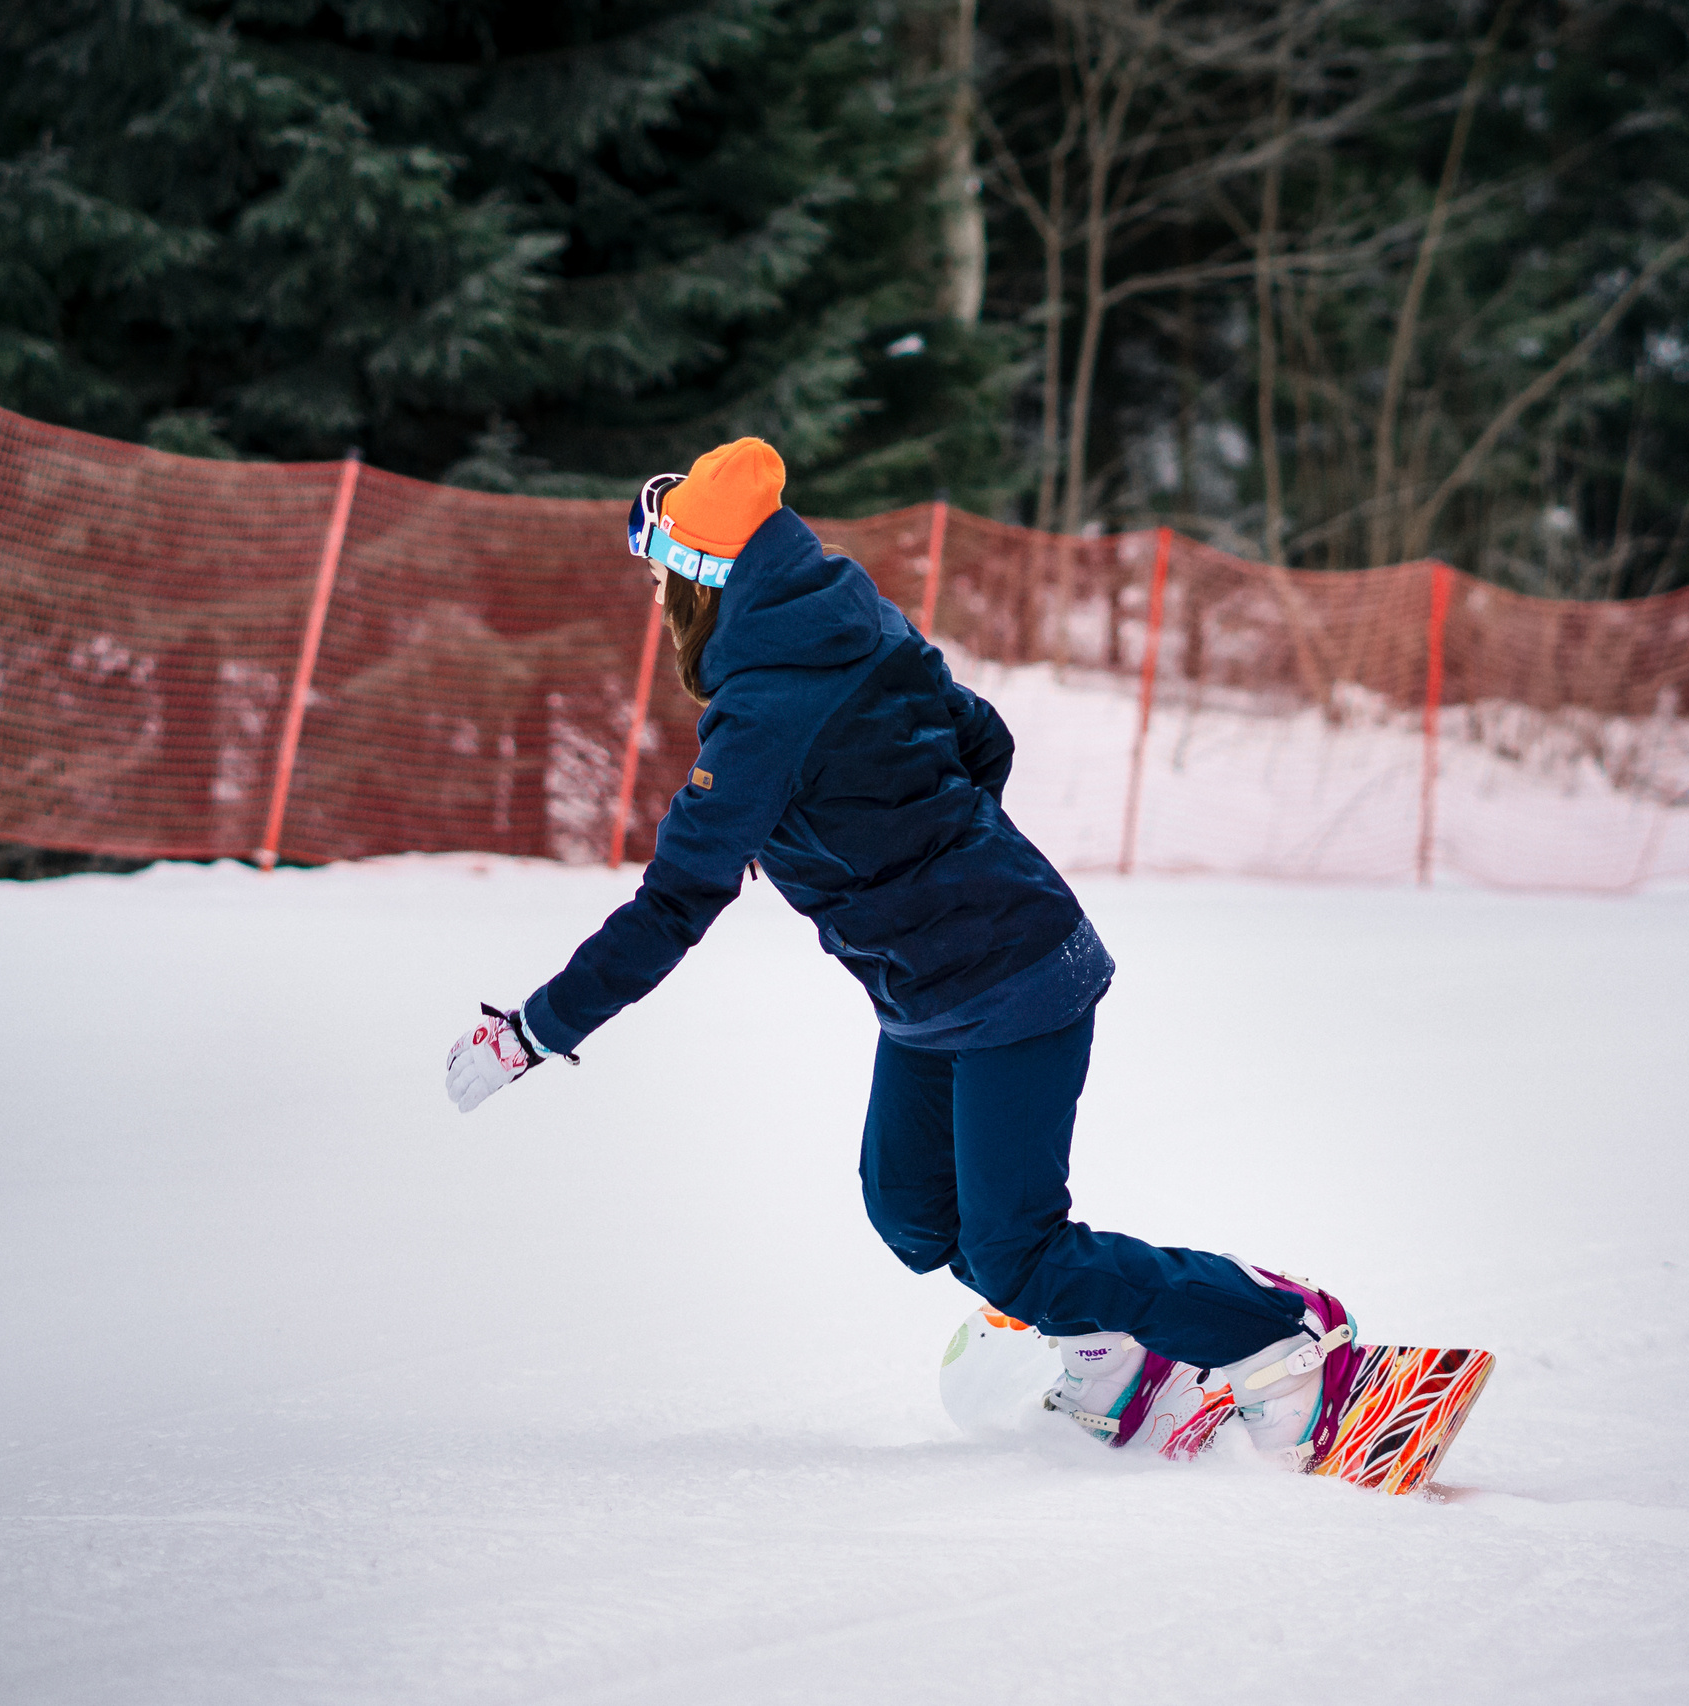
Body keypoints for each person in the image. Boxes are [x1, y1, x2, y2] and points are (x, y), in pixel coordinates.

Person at [446, 437, 1358, 1466]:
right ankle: (1111, 1347)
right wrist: (930, 868)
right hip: (935, 984)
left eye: (662, 578)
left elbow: (670, 909)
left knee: (1018, 1257)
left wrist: (533, 1030)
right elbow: (983, 737)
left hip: (1016, 974)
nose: (657, 601)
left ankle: (1274, 1332)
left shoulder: (761, 715)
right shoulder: (849, 616)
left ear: (702, 588)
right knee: (913, 1210)